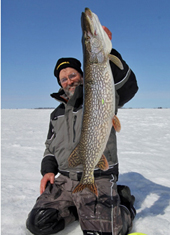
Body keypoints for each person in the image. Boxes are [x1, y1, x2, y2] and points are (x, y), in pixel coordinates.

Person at [26, 27, 139, 235]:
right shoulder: (56, 114)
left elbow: (128, 87)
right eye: (63, 79)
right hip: (66, 180)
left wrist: (109, 53)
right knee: (38, 222)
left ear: (82, 74)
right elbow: (50, 147)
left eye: (72, 74)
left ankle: (123, 205)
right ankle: (80, 208)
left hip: (100, 175)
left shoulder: (99, 95)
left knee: (102, 232)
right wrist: (48, 170)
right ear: (60, 84)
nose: (69, 81)